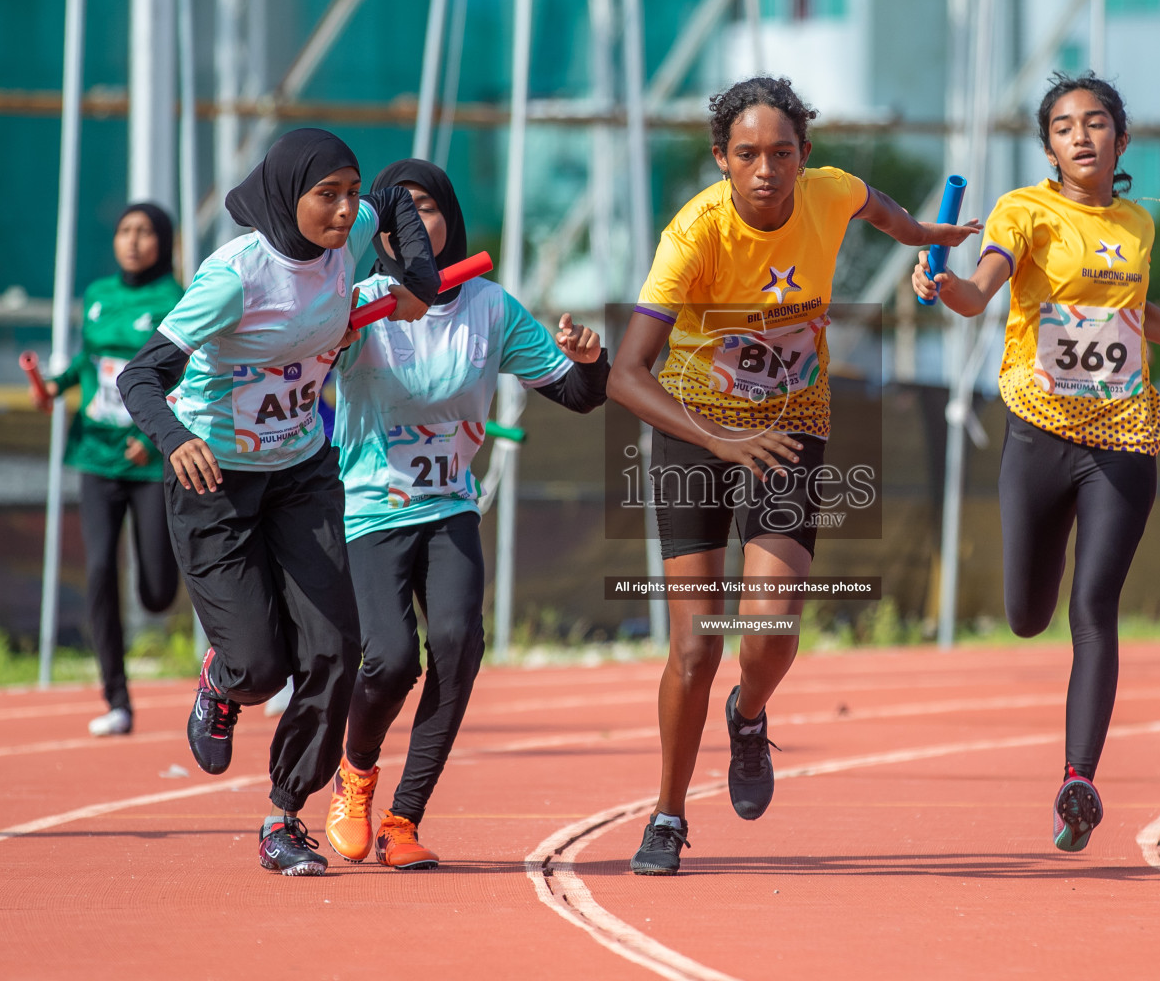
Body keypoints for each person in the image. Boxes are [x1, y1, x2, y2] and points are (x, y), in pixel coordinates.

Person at [608, 75, 980, 876]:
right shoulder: (693, 235)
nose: (766, 169)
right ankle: (668, 816)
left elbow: (878, 208)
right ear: (722, 160)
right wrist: (718, 438)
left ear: (805, 158)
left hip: (790, 426)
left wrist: (922, 234)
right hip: (693, 430)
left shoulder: (831, 192)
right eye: (747, 154)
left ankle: (749, 716)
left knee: (770, 630)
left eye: (782, 153)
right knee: (694, 649)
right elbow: (626, 376)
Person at [911, 72, 1160, 853]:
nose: (1081, 136)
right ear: (1048, 145)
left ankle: (1079, 780)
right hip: (1039, 433)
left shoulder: (1137, 226)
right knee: (1026, 615)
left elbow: (1139, 315)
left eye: (1096, 122)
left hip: (1124, 437)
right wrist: (944, 284)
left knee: (1095, 609)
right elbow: (981, 295)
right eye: (1063, 126)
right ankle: (1064, 729)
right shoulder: (1024, 211)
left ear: (1121, 137)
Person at [118, 128, 440, 877]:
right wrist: (174, 440)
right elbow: (141, 376)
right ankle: (223, 682)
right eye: (326, 195)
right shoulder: (234, 278)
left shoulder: (354, 228)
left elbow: (395, 197)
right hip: (213, 481)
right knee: (261, 666)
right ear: (286, 196)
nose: (346, 209)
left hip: (301, 472)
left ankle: (283, 817)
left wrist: (413, 280)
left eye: (349, 193)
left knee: (333, 651)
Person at [323, 158, 609, 870]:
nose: (416, 223)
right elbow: (294, 367)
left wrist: (591, 360)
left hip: (449, 506)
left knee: (455, 645)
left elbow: (577, 394)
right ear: (379, 231)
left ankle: (403, 819)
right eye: (399, 212)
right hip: (368, 508)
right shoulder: (358, 303)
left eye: (429, 207)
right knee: (388, 661)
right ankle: (354, 777)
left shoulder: (491, 307)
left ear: (451, 218)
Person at [35, 203, 182, 737]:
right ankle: (116, 698)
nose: (134, 241)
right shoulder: (97, 295)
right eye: (125, 230)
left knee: (158, 592)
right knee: (98, 570)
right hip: (94, 456)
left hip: (145, 463)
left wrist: (152, 434)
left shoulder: (175, 299)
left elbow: (186, 377)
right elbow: (88, 362)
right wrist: (55, 385)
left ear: (163, 242)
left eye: (145, 232)